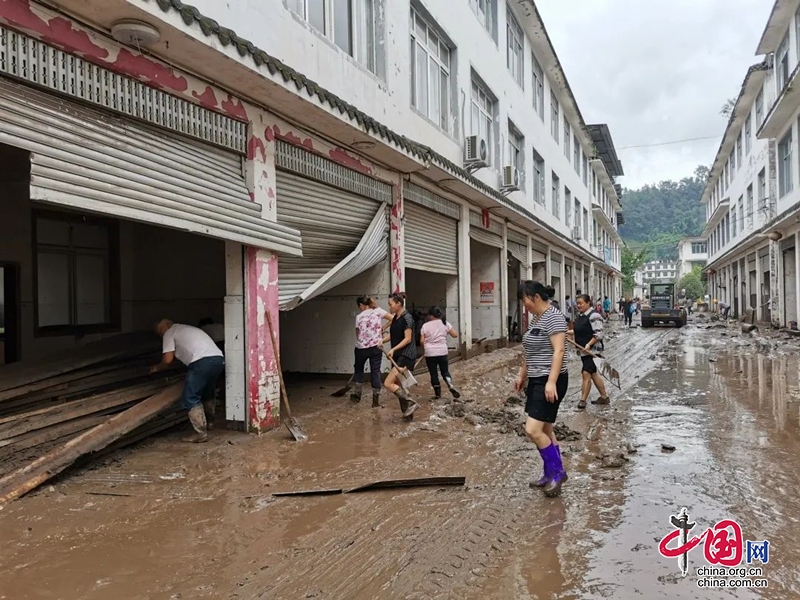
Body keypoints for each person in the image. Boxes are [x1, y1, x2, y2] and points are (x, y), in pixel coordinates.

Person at [514, 281, 569, 498]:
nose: (524, 304)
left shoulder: (554, 317)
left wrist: (551, 382)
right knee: (546, 430)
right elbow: (530, 351)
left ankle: (557, 473)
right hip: (536, 379)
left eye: (524, 299)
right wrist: (522, 376)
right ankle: (550, 473)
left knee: (532, 430)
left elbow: (559, 351)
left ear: (535, 297)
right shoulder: (536, 319)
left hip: (550, 380)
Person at [151, 319, 224, 443]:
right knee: (207, 392)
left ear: (166, 325)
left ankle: (200, 433)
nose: (161, 335)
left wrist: (157, 367)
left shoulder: (170, 332)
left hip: (201, 362)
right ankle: (210, 423)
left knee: (190, 397)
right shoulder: (187, 328)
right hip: (218, 360)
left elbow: (168, 360)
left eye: (160, 331)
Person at [383, 293, 420, 420]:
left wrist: (393, 349)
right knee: (400, 385)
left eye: (390, 304)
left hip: (406, 355)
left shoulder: (407, 318)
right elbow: (394, 335)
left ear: (398, 304)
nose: (389, 307)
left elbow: (408, 339)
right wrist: (382, 341)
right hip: (398, 356)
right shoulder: (395, 318)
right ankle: (408, 416)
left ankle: (412, 402)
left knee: (388, 383)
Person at [570, 295, 610, 409]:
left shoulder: (594, 315)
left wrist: (589, 344)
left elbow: (599, 334)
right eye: (577, 303)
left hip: (593, 351)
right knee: (593, 373)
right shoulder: (581, 316)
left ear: (588, 303)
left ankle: (583, 400)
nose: (578, 305)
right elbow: (578, 330)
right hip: (583, 351)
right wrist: (565, 332)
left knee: (586, 372)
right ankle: (604, 397)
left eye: (581, 303)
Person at [352, 295, 392, 407]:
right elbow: (393, 319)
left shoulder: (359, 317)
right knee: (375, 371)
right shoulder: (378, 311)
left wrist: (363, 341)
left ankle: (357, 395)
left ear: (361, 305)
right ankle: (375, 401)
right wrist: (384, 327)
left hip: (361, 348)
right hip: (376, 347)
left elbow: (358, 334)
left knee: (359, 370)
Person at [420, 306, 461, 399]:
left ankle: (438, 395)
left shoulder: (425, 326)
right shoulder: (445, 323)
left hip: (430, 353)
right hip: (442, 352)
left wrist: (424, 350)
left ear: (430, 315)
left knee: (433, 373)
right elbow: (455, 335)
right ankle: (449, 384)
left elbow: (422, 341)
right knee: (445, 371)